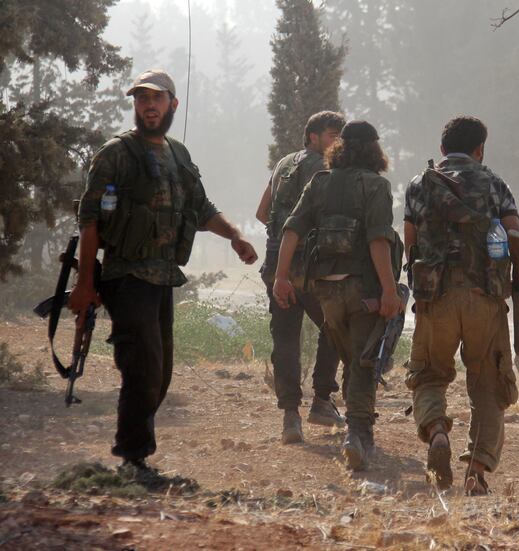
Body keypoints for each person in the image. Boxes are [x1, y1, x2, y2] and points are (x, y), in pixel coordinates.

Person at [69, 69, 258, 471]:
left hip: (163, 277)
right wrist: (85, 284)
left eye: (156, 99)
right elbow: (88, 221)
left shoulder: (178, 155)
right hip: (126, 277)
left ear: (173, 104)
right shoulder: (115, 154)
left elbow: (202, 209)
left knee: (161, 371)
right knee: (143, 365)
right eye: (141, 99)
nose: (148, 106)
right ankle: (132, 459)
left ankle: (136, 453)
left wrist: (235, 236)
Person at [403, 116, 519, 495]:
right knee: (489, 385)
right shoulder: (495, 184)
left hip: (435, 298)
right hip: (485, 299)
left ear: (443, 149)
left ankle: (438, 431)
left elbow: (410, 243)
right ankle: (476, 471)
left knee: (428, 375)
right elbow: (517, 239)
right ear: (480, 150)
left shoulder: (418, 185)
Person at [272, 120, 403, 471]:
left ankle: (352, 423)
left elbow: (291, 230)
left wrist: (281, 277)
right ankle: (357, 434)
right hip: (363, 290)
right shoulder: (376, 186)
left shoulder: (320, 182)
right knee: (363, 361)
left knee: (349, 353)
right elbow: (379, 240)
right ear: (375, 150)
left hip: (325, 290)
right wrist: (390, 290)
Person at [255, 111, 347, 443]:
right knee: (336, 327)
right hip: (312, 268)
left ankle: (290, 416)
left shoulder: (282, 165)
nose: (338, 142)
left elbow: (262, 212)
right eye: (332, 135)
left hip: (276, 264)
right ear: (312, 137)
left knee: (285, 339)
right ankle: (322, 400)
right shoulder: (327, 169)